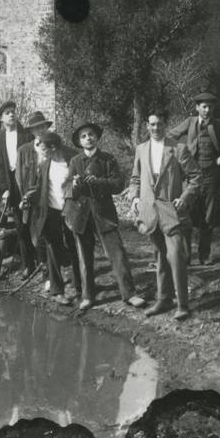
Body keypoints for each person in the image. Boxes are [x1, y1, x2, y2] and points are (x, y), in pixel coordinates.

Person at [65, 122, 147, 312]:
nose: (88, 138)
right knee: (84, 257)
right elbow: (68, 188)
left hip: (104, 213)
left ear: (97, 137)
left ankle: (129, 294)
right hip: (81, 214)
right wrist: (76, 185)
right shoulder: (75, 161)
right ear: (79, 141)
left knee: (117, 254)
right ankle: (87, 296)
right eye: (84, 136)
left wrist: (99, 182)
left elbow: (118, 184)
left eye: (91, 134)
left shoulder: (108, 159)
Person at [129, 110, 200, 321]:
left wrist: (185, 198)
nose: (155, 128)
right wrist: (134, 198)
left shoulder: (178, 148)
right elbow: (135, 178)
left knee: (176, 255)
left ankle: (183, 304)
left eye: (159, 124)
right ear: (147, 126)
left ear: (165, 125)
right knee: (160, 256)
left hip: (172, 211)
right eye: (151, 124)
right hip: (150, 211)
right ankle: (163, 299)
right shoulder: (141, 149)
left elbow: (196, 177)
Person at [167, 92, 220, 266]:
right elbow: (170, 137)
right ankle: (185, 257)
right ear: (197, 108)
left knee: (208, 218)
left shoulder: (219, 125)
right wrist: (181, 154)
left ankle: (204, 255)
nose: (207, 110)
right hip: (190, 178)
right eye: (204, 106)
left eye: (210, 107)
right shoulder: (190, 122)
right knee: (185, 215)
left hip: (211, 176)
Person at [22, 130, 82, 305]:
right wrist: (27, 198)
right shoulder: (44, 165)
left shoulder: (74, 160)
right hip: (51, 211)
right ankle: (57, 291)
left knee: (74, 247)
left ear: (53, 147)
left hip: (72, 210)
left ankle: (80, 287)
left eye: (43, 150)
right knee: (52, 248)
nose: (41, 153)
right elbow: (41, 188)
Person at [0, 100, 38, 275]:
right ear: (1, 118)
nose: (11, 115)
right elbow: (0, 167)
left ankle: (43, 260)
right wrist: (4, 189)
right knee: (19, 223)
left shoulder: (26, 135)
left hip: (26, 180)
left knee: (34, 219)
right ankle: (28, 264)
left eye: (13, 112)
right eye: (7, 113)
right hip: (11, 183)